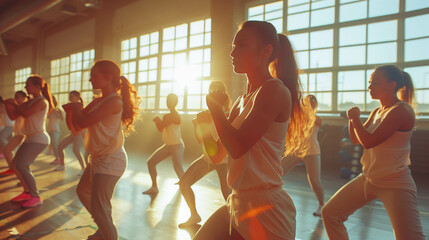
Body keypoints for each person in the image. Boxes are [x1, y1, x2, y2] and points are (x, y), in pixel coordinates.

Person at [193, 20, 308, 240]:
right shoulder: (240, 102)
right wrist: (205, 126)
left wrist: (216, 111)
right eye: (233, 46)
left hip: (266, 208)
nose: (233, 52)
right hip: (237, 202)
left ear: (266, 51)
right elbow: (216, 155)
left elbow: (237, 147)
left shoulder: (274, 90)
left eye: (242, 45)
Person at [322, 65, 426, 240]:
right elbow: (356, 140)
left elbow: (369, 142)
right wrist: (351, 119)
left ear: (392, 85)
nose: (369, 87)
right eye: (369, 83)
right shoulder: (377, 111)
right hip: (369, 178)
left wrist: (355, 118)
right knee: (330, 214)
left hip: (394, 182)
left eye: (375, 83)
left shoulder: (401, 110)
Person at [70, 60, 140, 240]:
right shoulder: (99, 101)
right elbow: (77, 127)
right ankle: (104, 228)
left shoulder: (114, 102)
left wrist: (76, 108)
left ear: (108, 77)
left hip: (110, 160)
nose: (90, 79)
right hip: (98, 158)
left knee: (100, 207)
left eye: (94, 75)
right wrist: (71, 111)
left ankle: (107, 233)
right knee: (83, 192)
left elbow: (83, 121)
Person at [178, 81, 231, 228]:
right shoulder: (205, 114)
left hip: (224, 161)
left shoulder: (228, 114)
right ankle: (194, 215)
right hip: (207, 158)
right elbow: (200, 139)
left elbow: (224, 142)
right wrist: (198, 125)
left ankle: (238, 222)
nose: (213, 92)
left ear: (224, 94)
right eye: (211, 90)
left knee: (229, 196)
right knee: (184, 183)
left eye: (217, 90)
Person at [8, 75, 54, 208]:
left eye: (28, 85)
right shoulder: (30, 101)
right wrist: (8, 105)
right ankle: (27, 192)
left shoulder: (42, 101)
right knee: (16, 164)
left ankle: (35, 196)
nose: (25, 87)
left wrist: (15, 104)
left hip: (39, 139)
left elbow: (26, 113)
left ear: (37, 87)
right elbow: (13, 115)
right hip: (30, 139)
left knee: (22, 165)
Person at [281, 94, 325, 216]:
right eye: (306, 102)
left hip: (312, 151)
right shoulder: (298, 117)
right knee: (278, 171)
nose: (308, 105)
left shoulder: (317, 119)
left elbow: (311, 121)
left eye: (311, 103)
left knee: (314, 180)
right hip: (297, 150)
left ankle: (322, 205)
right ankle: (273, 199)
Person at [142, 93, 184, 194]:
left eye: (170, 101)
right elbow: (161, 128)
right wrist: (158, 121)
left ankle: (185, 186)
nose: (168, 103)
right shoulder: (168, 116)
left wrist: (157, 120)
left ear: (175, 103)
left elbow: (161, 127)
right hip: (168, 145)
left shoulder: (174, 116)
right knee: (151, 162)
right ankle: (154, 187)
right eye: (167, 101)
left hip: (177, 146)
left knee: (178, 168)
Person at [55, 91, 86, 173]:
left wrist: (83, 135)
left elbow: (81, 122)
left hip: (78, 133)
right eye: (69, 96)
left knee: (76, 150)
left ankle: (83, 168)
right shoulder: (71, 108)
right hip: (73, 133)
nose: (69, 98)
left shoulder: (79, 108)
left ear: (77, 97)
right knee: (60, 147)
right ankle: (62, 165)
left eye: (71, 96)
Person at [0, 91, 28, 176]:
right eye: (15, 97)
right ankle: (12, 169)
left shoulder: (26, 106)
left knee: (22, 160)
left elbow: (13, 116)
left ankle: (26, 180)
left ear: (24, 98)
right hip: (18, 133)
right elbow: (13, 117)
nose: (16, 99)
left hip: (26, 135)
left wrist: (7, 103)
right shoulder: (18, 106)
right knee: (7, 151)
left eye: (18, 97)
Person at [46, 96, 63, 162]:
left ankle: (58, 158)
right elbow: (47, 117)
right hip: (50, 129)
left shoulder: (58, 110)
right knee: (52, 143)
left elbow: (62, 118)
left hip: (55, 130)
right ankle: (52, 153)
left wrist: (57, 114)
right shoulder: (50, 110)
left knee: (54, 144)